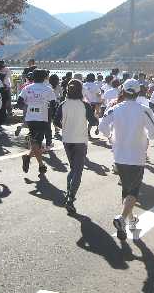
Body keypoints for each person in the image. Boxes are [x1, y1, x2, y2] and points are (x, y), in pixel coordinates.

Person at [98, 79, 154, 240]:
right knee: (133, 192)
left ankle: (129, 222)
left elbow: (101, 127)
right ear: (139, 92)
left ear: (122, 91)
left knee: (126, 190)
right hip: (137, 155)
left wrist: (111, 136)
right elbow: (153, 134)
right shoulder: (144, 110)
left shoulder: (114, 108)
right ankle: (122, 218)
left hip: (119, 155)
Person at [53, 80, 98, 213]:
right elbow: (93, 121)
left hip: (67, 140)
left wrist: (65, 128)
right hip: (80, 140)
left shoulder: (63, 104)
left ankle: (69, 192)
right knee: (78, 171)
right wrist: (96, 118)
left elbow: (55, 120)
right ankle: (70, 198)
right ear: (80, 91)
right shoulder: (85, 105)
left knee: (73, 169)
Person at [17, 69, 56, 175]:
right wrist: (50, 111)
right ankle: (41, 165)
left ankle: (28, 157)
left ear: (33, 77)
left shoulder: (27, 88)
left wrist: (29, 106)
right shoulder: (48, 89)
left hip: (30, 117)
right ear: (45, 78)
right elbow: (53, 103)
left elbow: (19, 102)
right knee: (36, 141)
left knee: (36, 141)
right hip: (42, 117)